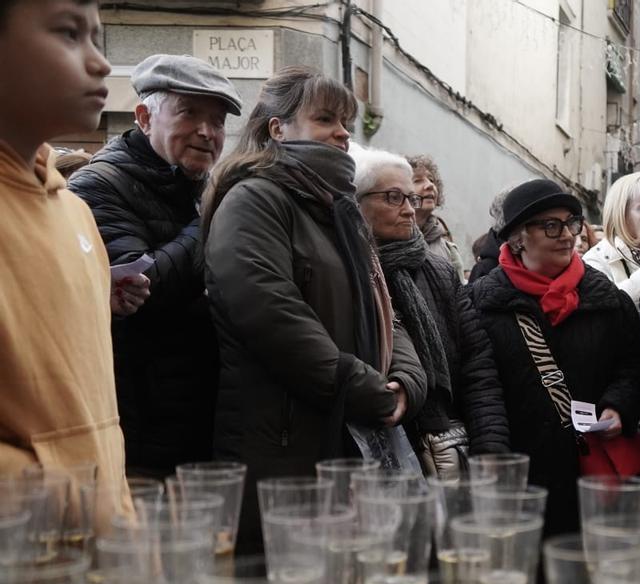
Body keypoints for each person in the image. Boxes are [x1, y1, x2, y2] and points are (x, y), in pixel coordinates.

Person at [203, 66, 427, 554]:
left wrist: (405, 380)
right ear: (278, 128)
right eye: (326, 119)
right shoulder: (254, 200)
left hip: (350, 433)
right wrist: (360, 386)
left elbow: (384, 309)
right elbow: (270, 313)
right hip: (284, 447)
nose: (343, 132)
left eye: (345, 121)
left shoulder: (338, 211)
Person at [69, 54, 241, 479]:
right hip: (140, 432)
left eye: (217, 121)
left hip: (205, 424)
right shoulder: (98, 186)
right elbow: (141, 288)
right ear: (145, 118)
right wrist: (215, 214)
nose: (207, 132)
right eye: (189, 114)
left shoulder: (199, 187)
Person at [0, 0, 130, 521]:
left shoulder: (75, 212)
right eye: (69, 33)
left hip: (99, 554)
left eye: (96, 36)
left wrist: (118, 519)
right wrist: (58, 494)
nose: (101, 62)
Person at [470, 178, 640, 537]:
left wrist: (618, 407)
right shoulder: (482, 304)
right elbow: (478, 386)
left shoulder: (607, 299)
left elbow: (633, 367)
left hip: (595, 476)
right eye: (551, 226)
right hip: (523, 479)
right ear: (518, 239)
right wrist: (494, 458)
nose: (567, 235)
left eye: (571, 223)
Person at [353, 147, 509, 478]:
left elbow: (476, 364)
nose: (410, 209)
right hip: (373, 452)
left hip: (442, 449)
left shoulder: (437, 270)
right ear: (357, 202)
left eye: (411, 198)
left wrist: (490, 448)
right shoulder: (349, 271)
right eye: (394, 197)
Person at [407, 153, 466, 280]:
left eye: (431, 180)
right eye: (417, 180)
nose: (430, 185)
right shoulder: (386, 239)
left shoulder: (449, 250)